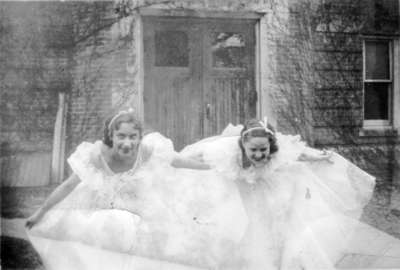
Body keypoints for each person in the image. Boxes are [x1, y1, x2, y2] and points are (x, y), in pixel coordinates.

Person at [26, 110, 247, 270]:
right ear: (110, 136)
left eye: (133, 137)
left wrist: (212, 167)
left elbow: (177, 161)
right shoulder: (96, 156)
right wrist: (40, 212)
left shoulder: (147, 152)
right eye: (121, 136)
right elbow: (68, 185)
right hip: (104, 210)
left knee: (153, 245)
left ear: (140, 138)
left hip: (138, 209)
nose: (127, 142)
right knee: (97, 239)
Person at [180, 118, 377, 270]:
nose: (259, 155)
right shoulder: (227, 150)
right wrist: (171, 160)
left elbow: (301, 153)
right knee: (238, 233)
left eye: (263, 149)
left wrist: (321, 156)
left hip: (267, 193)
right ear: (243, 145)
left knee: (270, 234)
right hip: (237, 194)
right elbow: (195, 155)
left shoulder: (278, 149)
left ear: (270, 146)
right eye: (253, 150)